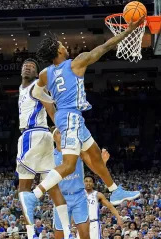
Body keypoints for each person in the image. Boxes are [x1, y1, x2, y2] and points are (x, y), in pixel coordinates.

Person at [22, 19, 145, 212]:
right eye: (62, 45)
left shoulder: (45, 73)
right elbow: (106, 46)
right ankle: (34, 195)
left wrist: (54, 101)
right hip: (71, 118)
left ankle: (115, 191)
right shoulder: (76, 63)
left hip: (72, 118)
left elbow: (35, 93)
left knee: (95, 155)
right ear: (58, 51)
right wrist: (129, 30)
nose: (65, 46)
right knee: (69, 165)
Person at [16, 59, 72, 239]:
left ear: (37, 73)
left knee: (23, 190)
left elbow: (50, 108)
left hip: (32, 136)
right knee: (53, 187)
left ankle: (32, 238)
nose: (27, 67)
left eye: (32, 66)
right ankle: (68, 234)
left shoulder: (36, 87)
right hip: (44, 139)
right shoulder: (22, 89)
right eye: (25, 65)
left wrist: (62, 129)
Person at [51, 127, 96, 239]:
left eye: (64, 131)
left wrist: (102, 163)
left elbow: (92, 163)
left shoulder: (76, 150)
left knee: (84, 236)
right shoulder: (50, 156)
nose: (62, 134)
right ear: (54, 136)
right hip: (61, 197)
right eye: (58, 132)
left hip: (78, 197)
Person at [73, 151, 124, 239]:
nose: (88, 183)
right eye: (86, 181)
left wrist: (118, 217)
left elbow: (110, 206)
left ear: (93, 184)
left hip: (94, 225)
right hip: (81, 224)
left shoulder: (98, 194)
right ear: (83, 183)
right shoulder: (79, 193)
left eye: (90, 181)